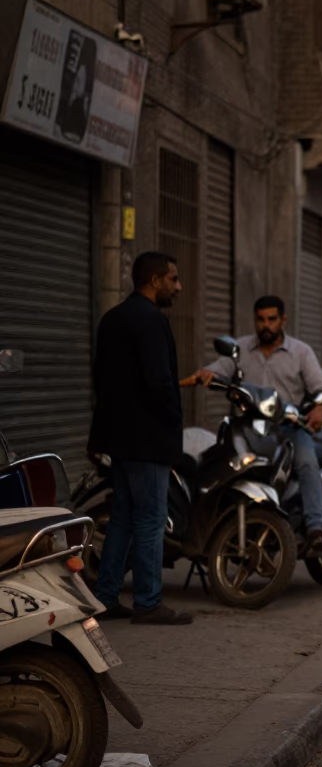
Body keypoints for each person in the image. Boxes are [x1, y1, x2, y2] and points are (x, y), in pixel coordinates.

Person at [88, 251, 193, 625]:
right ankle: (148, 601)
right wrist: (172, 424)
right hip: (148, 440)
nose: (178, 287)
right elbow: (158, 382)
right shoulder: (151, 321)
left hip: (119, 440)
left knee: (122, 518)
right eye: (173, 279)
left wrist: (98, 436)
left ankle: (105, 597)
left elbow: (101, 383)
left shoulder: (113, 319)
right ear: (154, 281)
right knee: (151, 519)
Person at [189, 296, 322, 553]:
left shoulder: (301, 352)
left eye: (271, 319)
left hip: (289, 427)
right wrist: (204, 374)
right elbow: (218, 370)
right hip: (248, 428)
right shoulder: (241, 349)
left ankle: (315, 528)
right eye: (260, 319)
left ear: (283, 320)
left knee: (306, 462)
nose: (266, 325)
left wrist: (319, 408)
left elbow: (320, 387)